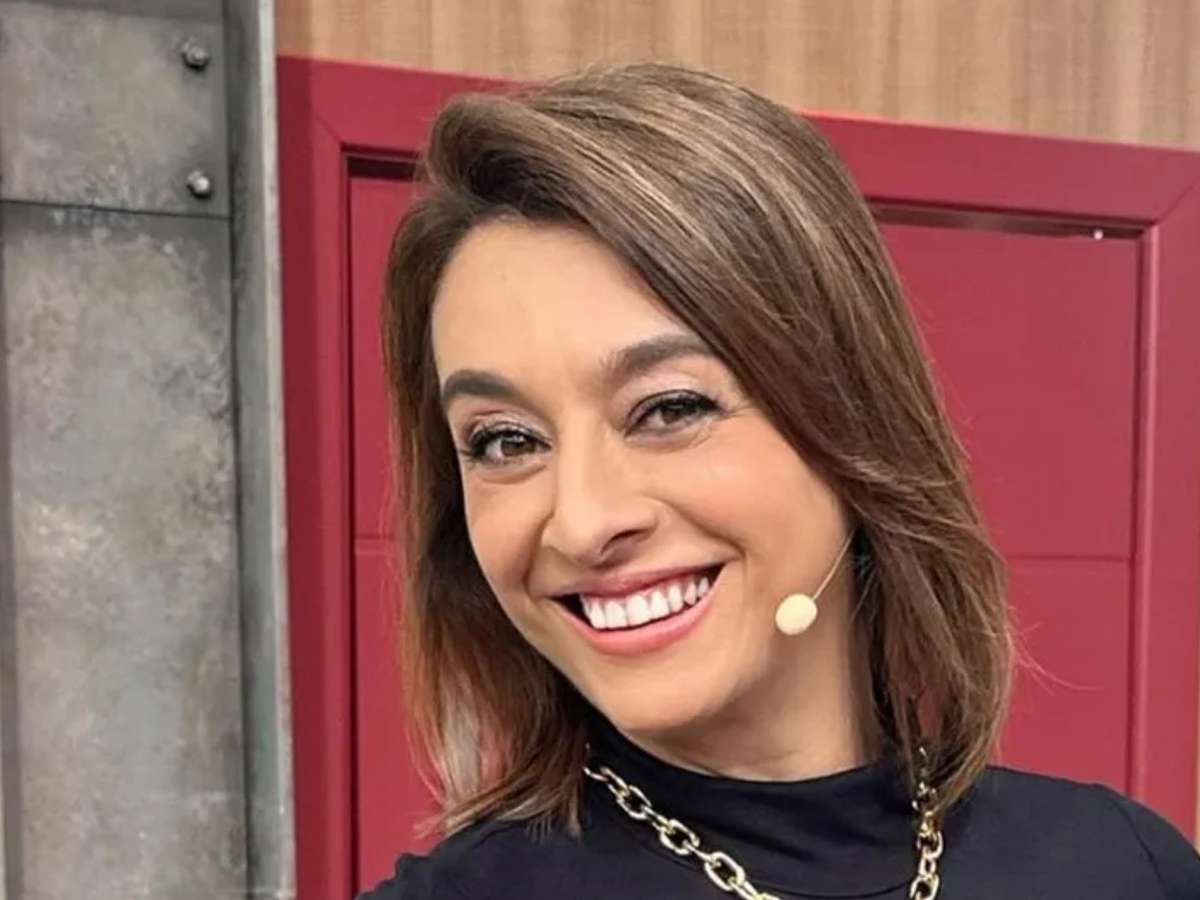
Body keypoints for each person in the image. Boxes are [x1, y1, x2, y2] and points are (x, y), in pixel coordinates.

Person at [362, 63, 1200, 899]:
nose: (583, 522)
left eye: (670, 408)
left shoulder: (1124, 868)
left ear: (853, 419)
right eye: (505, 441)